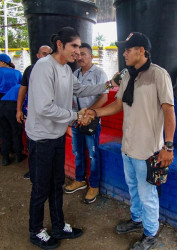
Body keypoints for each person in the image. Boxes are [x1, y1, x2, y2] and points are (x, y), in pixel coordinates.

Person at [81, 32, 176, 250]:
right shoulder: (128, 76)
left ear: (141, 50)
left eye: (127, 49)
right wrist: (95, 113)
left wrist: (168, 146)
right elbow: (117, 104)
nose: (123, 53)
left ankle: (150, 233)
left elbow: (169, 112)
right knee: (133, 188)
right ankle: (137, 219)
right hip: (128, 146)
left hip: (147, 150)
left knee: (147, 193)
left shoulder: (158, 75)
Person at [25, 27, 117, 249]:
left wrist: (109, 84)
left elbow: (82, 90)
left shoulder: (66, 69)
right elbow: (46, 107)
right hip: (41, 138)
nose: (78, 51)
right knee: (41, 186)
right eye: (74, 46)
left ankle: (58, 225)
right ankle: (35, 230)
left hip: (56, 136)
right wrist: (77, 115)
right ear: (60, 45)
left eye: (79, 47)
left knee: (56, 183)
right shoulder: (44, 67)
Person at [63, 43, 108, 204]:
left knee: (93, 155)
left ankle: (94, 185)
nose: (79, 57)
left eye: (83, 54)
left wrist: (89, 114)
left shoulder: (99, 73)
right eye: (78, 54)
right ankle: (80, 180)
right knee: (78, 152)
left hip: (91, 121)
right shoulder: (74, 73)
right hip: (76, 120)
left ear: (91, 56)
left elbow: (103, 97)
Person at [16, 45, 52, 179]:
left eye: (49, 54)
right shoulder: (30, 70)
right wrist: (18, 109)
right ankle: (32, 172)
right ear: (37, 55)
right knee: (32, 144)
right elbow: (22, 90)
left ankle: (45, 173)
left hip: (49, 115)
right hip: (32, 114)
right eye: (43, 54)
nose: (46, 57)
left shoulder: (54, 70)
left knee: (47, 145)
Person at [0, 53, 22, 155]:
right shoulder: (18, 73)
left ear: (3, 62)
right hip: (14, 99)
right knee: (14, 126)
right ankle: (15, 150)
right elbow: (21, 87)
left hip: (0, 98)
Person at [0, 84, 27, 166]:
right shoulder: (28, 87)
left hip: (0, 106)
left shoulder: (17, 86)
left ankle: (5, 158)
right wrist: (25, 113)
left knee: (4, 133)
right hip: (13, 107)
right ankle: (18, 155)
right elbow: (23, 104)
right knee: (16, 132)